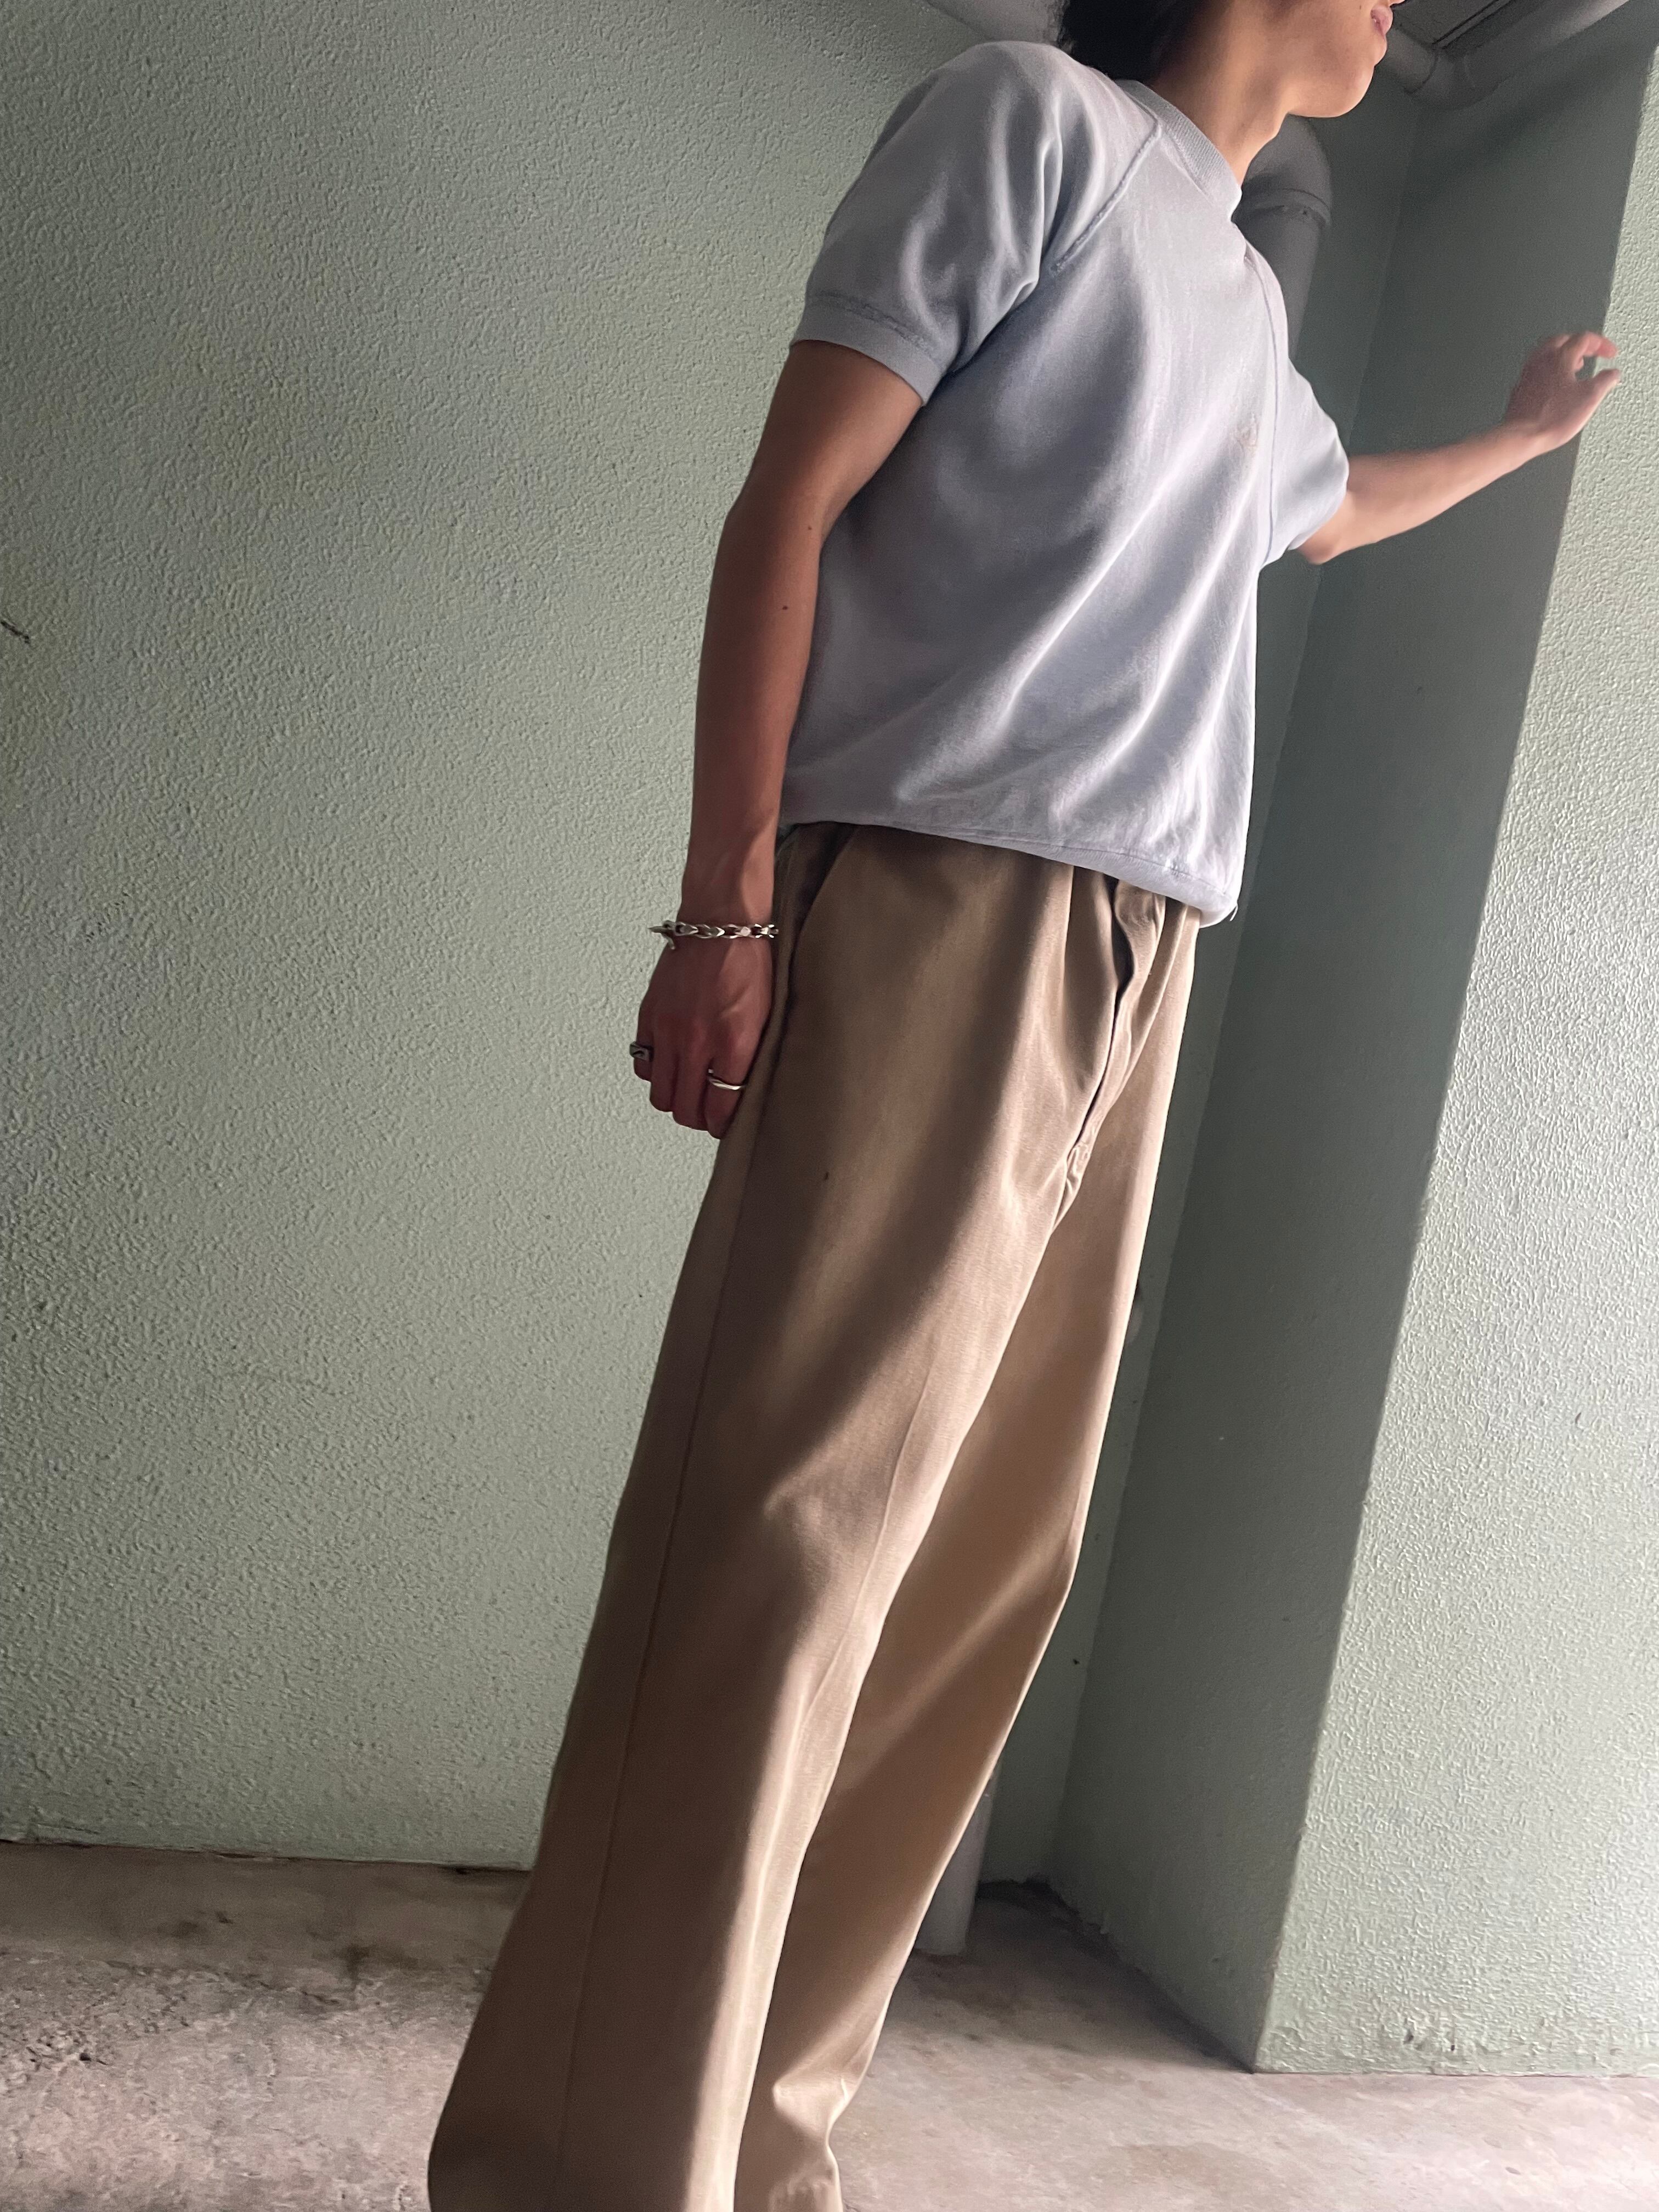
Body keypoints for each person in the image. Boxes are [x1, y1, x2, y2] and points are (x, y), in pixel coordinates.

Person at [427, 0, 1619, 2203]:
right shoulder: (1030, 127)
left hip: (1142, 951)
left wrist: (1524, 442)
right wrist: (724, 904)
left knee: (974, 1584)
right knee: (782, 1552)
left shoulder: (1239, 293)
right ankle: (589, 2176)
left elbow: (1330, 511)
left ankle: (757, 2153)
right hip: (946, 900)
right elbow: (791, 500)